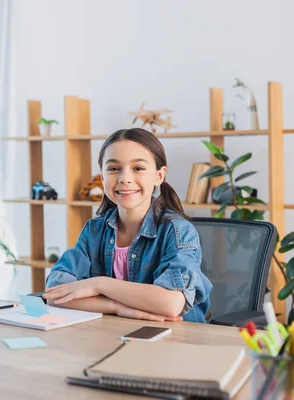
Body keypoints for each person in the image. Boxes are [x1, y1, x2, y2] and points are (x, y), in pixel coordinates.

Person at [43, 128, 212, 323]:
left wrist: (99, 285)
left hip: (176, 342)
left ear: (159, 175)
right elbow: (55, 294)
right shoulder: (94, 231)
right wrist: (117, 307)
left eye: (138, 168)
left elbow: (171, 305)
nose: (124, 178)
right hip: (115, 336)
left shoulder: (177, 231)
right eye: (114, 168)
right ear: (102, 175)